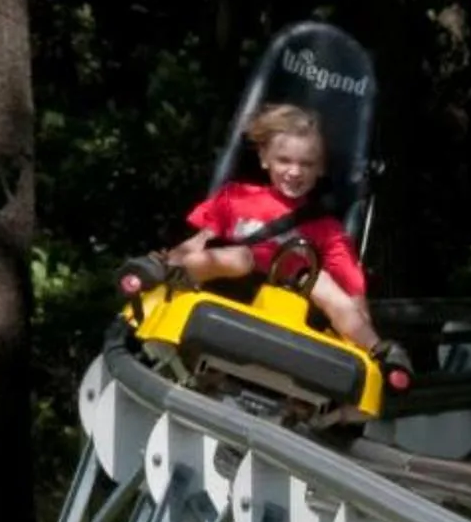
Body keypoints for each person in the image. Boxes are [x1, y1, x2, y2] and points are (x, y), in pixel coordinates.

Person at [163, 103, 381, 354]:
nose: (295, 172)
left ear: (320, 168)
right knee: (240, 258)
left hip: (283, 309)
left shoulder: (327, 229)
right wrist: (166, 262)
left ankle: (374, 348)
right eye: (284, 161)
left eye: (307, 164)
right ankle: (170, 274)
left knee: (319, 281)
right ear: (264, 158)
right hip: (222, 292)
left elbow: (352, 292)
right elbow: (198, 242)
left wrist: (366, 328)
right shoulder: (236, 197)